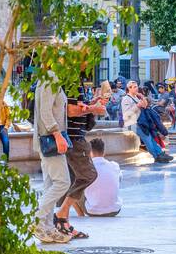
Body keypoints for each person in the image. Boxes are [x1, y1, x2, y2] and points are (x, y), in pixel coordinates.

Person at [55, 82, 107, 239]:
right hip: (74, 138)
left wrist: (90, 105)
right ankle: (61, 214)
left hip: (74, 136)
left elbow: (75, 107)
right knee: (88, 175)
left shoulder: (74, 81)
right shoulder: (71, 82)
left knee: (73, 179)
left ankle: (64, 224)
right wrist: (94, 109)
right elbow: (70, 111)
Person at [34, 74, 72, 244]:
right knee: (63, 182)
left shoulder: (51, 78)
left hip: (48, 138)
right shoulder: (51, 78)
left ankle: (47, 227)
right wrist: (57, 134)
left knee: (50, 184)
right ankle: (38, 219)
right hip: (49, 140)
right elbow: (45, 112)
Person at [121, 80, 172, 163]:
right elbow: (126, 115)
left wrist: (142, 97)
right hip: (133, 124)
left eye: (136, 86)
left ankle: (161, 154)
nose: (136, 88)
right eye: (134, 87)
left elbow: (145, 106)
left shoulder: (136, 97)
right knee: (147, 138)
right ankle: (157, 156)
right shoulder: (126, 99)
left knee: (151, 138)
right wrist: (137, 106)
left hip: (142, 123)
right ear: (129, 89)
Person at [82, 137, 121, 217]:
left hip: (92, 211)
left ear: (90, 152)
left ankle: (80, 215)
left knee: (74, 186)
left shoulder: (86, 168)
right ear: (104, 152)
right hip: (115, 210)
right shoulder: (114, 165)